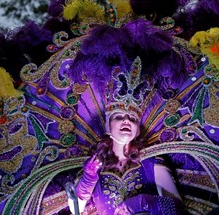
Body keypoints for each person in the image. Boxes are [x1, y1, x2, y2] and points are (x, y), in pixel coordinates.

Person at [68, 57, 185, 215]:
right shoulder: (95, 167)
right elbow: (76, 208)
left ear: (137, 130)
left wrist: (141, 203)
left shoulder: (151, 162)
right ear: (109, 127)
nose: (125, 120)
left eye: (132, 118)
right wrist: (88, 178)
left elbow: (176, 208)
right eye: (118, 117)